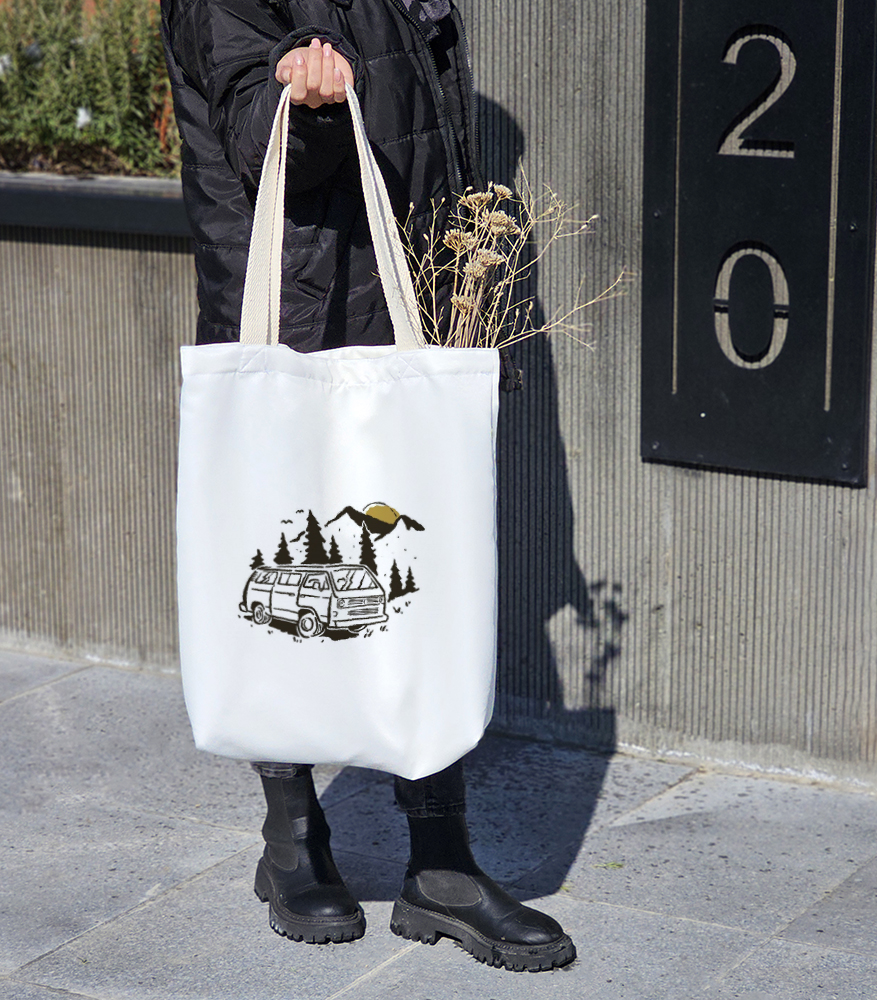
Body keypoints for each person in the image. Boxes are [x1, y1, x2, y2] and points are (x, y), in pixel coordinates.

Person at [159, 0, 575, 973]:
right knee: (288, 579)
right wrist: (301, 105)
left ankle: (442, 861)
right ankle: (293, 837)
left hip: (400, 297)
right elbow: (254, 134)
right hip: (297, 301)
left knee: (416, 577)